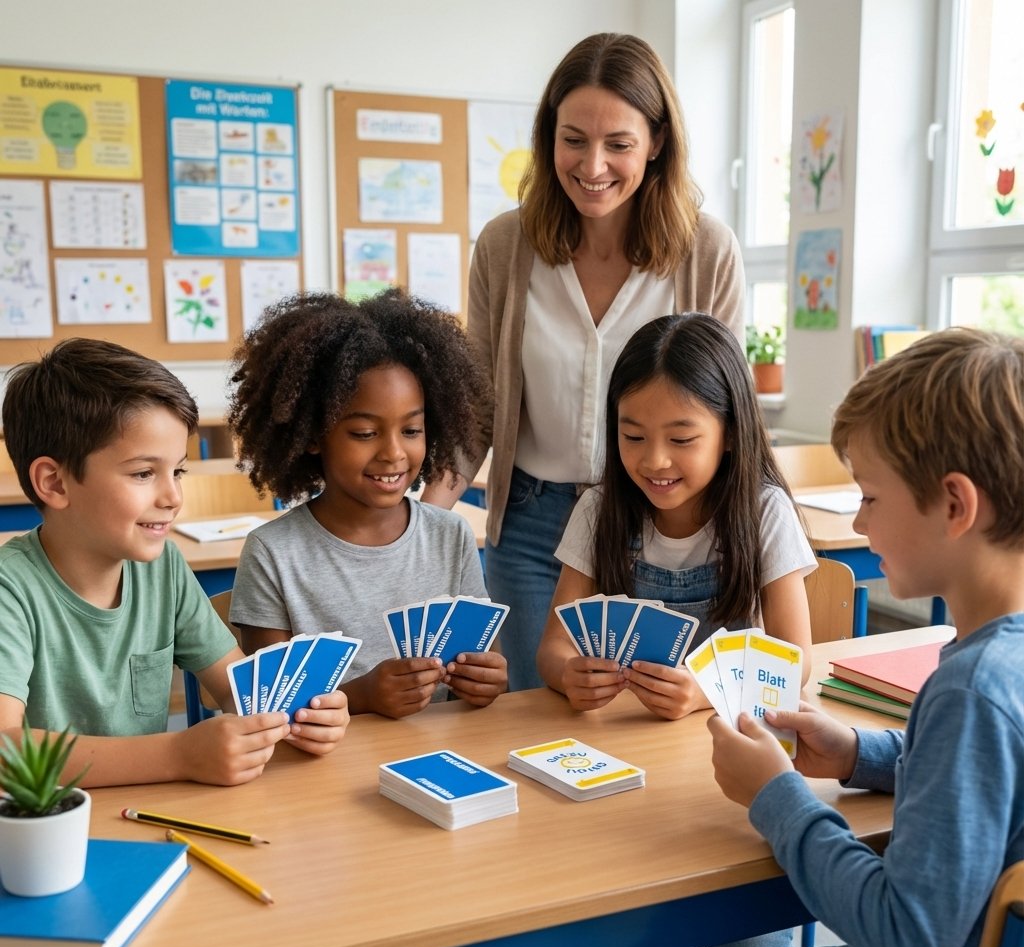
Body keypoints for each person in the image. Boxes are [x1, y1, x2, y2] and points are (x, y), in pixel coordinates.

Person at [659, 328, 1024, 947]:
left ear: (955, 505)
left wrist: (776, 796)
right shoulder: (996, 661)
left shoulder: (973, 691)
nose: (857, 520)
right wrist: (859, 754)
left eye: (871, 498)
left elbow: (905, 935)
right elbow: (984, 779)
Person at [490, 313, 815, 947]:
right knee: (617, 942)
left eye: (682, 438)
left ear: (732, 432)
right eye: (632, 436)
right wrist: (570, 675)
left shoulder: (763, 513)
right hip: (619, 773)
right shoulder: (601, 509)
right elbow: (552, 648)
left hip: (728, 776)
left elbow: (794, 661)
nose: (655, 459)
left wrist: (703, 692)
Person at [422, 31, 745, 696]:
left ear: (656, 141)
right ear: (548, 137)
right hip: (533, 522)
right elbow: (476, 404)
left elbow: (726, 407)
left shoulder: (707, 250)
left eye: (618, 143)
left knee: (648, 718)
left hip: (660, 520)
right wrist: (424, 521)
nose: (592, 164)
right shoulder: (506, 245)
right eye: (573, 139)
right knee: (536, 706)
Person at [0, 338, 349, 788]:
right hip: (42, 823)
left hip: (149, 812)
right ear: (54, 483)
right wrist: (178, 755)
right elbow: (6, 751)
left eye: (178, 471)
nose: (173, 497)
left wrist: (300, 716)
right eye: (144, 473)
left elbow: (239, 693)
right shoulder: (10, 589)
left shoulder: (162, 567)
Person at [228, 289, 508, 718]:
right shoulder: (273, 553)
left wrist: (487, 680)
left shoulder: (450, 535)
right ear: (312, 436)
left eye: (411, 431)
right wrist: (361, 697)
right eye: (364, 433)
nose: (393, 453)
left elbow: (484, 665)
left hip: (437, 748)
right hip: (328, 754)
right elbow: (269, 708)